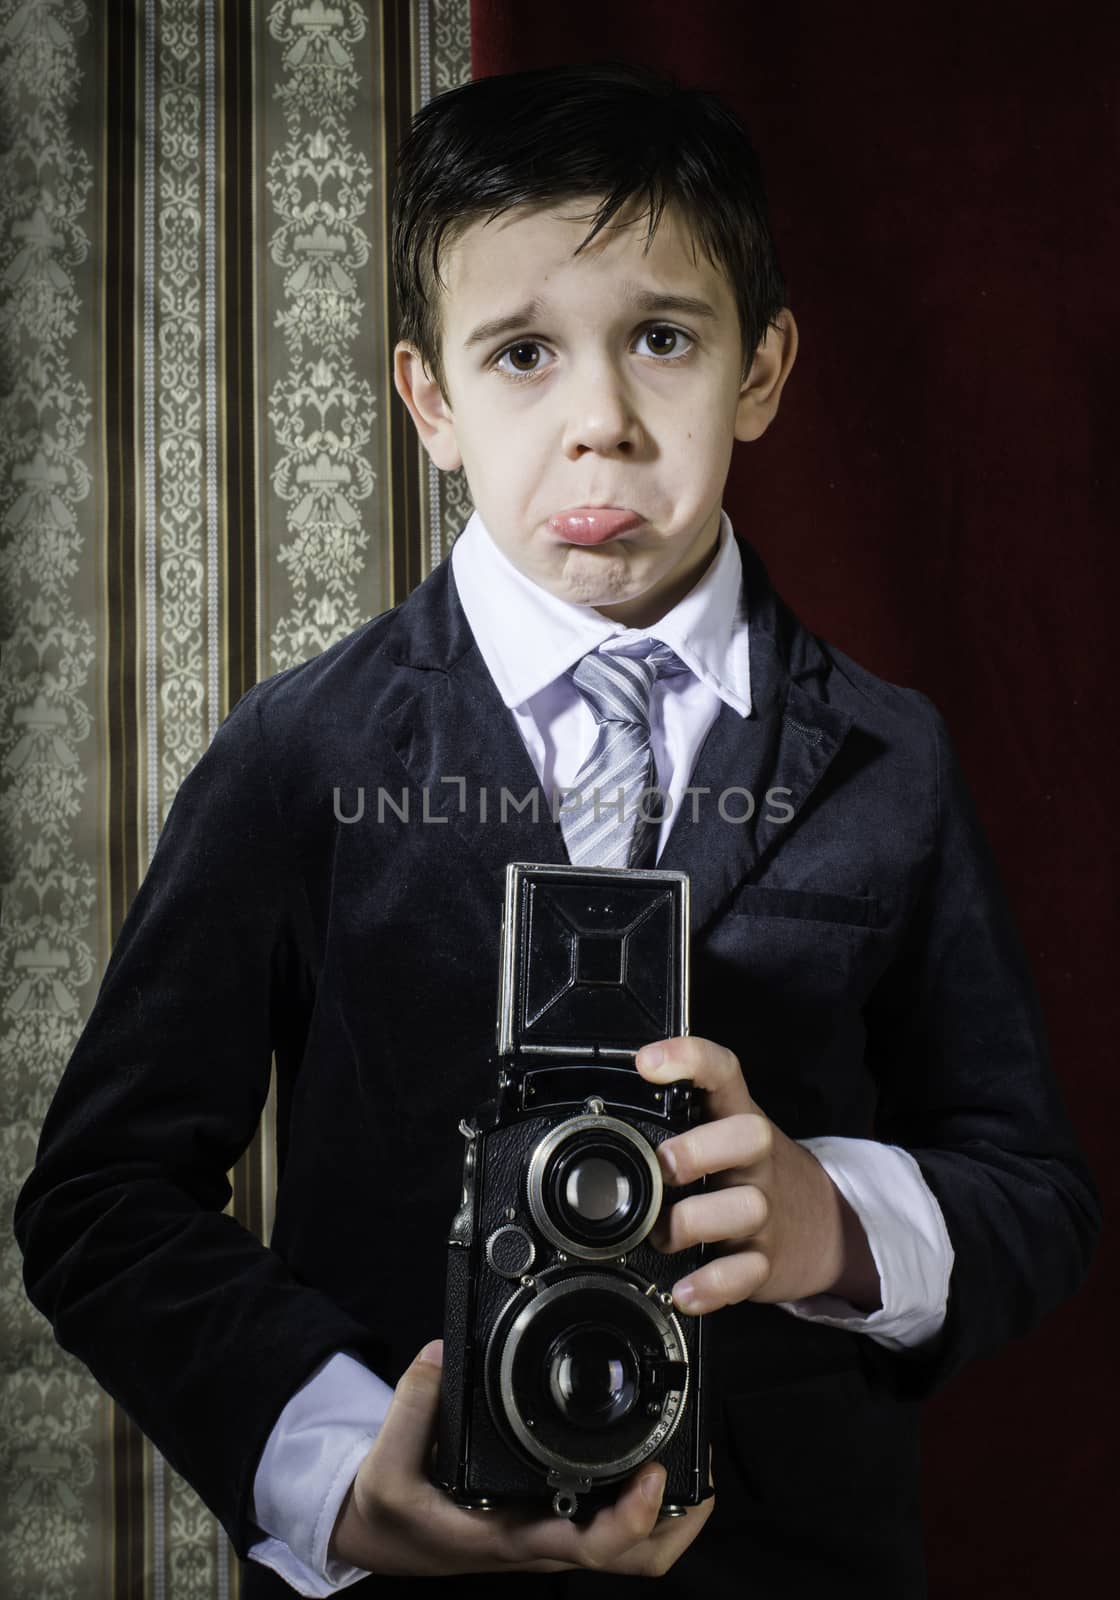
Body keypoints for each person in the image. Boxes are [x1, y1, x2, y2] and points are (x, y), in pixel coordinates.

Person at [14, 60, 1100, 1599]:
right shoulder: (301, 752)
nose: (600, 423)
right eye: (523, 353)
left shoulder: (895, 759)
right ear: (432, 402)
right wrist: (336, 1472)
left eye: (663, 339)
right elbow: (100, 1202)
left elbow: (1035, 1195)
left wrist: (835, 1223)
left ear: (765, 370)